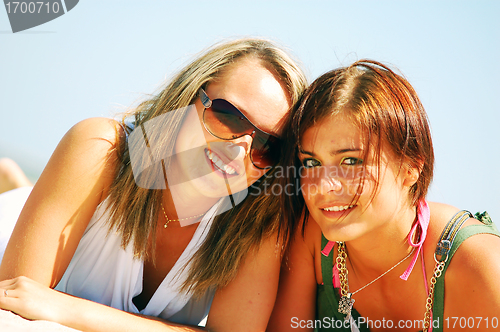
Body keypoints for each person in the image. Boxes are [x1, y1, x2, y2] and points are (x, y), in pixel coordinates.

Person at [0, 38, 307, 332]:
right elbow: (16, 297)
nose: (239, 150)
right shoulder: (101, 148)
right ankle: (16, 187)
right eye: (229, 117)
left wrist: (72, 309)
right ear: (188, 96)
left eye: (269, 147)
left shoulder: (256, 223)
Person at [267, 60, 500, 332]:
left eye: (350, 162)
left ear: (411, 168)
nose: (323, 185)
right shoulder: (312, 238)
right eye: (311, 163)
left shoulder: (481, 266)